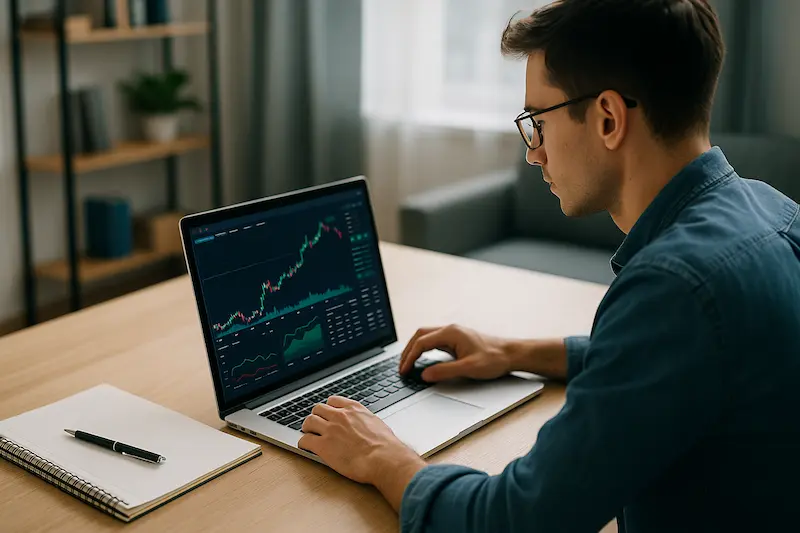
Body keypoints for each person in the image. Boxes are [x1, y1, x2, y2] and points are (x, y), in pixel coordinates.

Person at [297, 1, 800, 531]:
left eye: (537, 121)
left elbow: (514, 521)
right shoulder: (773, 210)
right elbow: (672, 362)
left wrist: (382, 456)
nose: (534, 153)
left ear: (608, 118)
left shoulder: (673, 287)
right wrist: (514, 352)